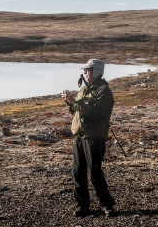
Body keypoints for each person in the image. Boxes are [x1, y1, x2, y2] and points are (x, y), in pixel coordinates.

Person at [61, 59, 116, 218]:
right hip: (79, 136)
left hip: (94, 137)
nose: (85, 73)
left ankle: (107, 205)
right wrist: (69, 102)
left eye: (88, 71)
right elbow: (76, 112)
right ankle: (82, 206)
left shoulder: (104, 92)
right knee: (77, 172)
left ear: (97, 72)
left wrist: (74, 102)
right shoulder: (84, 89)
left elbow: (95, 113)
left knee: (95, 172)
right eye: (85, 71)